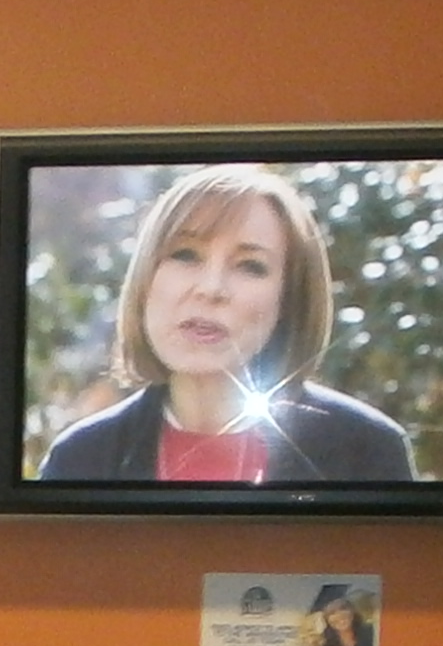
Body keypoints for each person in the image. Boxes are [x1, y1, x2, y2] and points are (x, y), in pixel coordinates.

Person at [31, 166, 413, 486]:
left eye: (250, 266)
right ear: (145, 280)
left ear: (288, 300)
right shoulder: (81, 458)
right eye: (185, 255)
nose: (211, 288)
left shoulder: (366, 450)